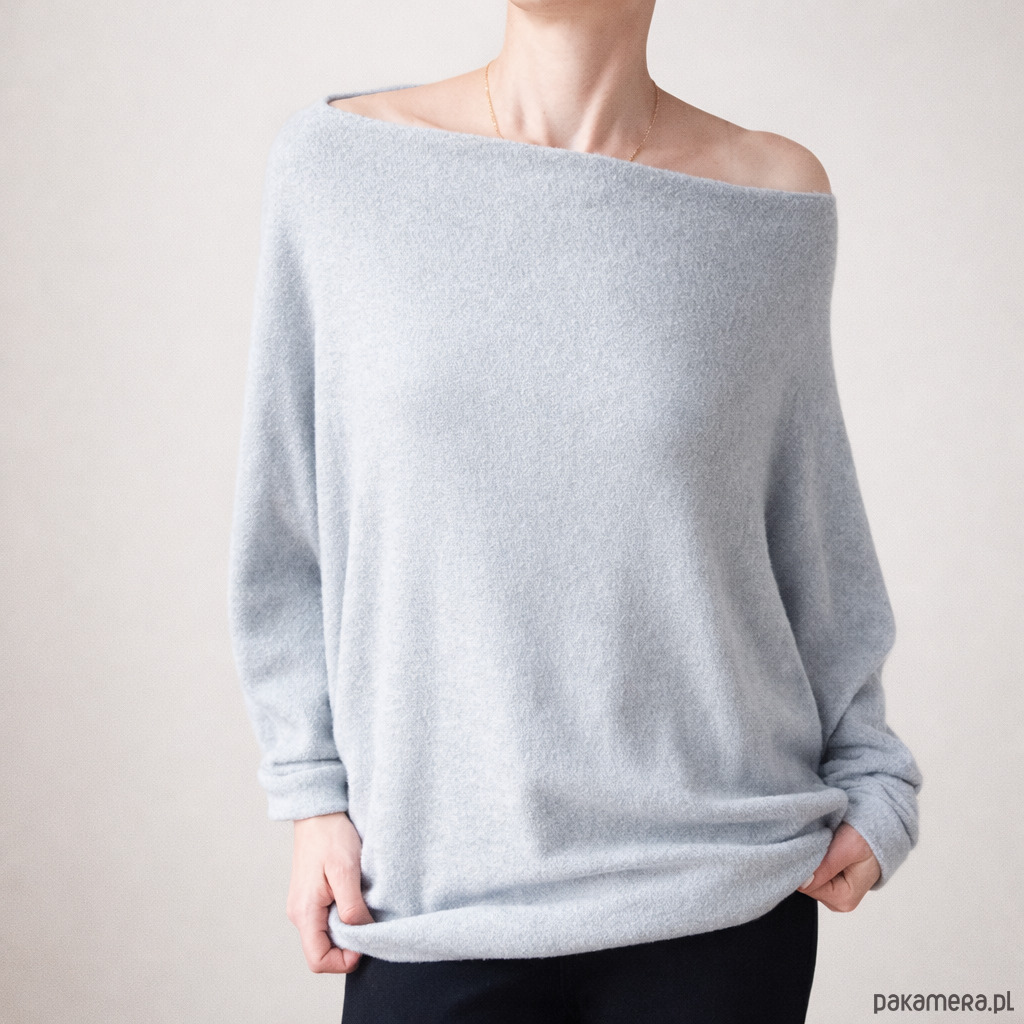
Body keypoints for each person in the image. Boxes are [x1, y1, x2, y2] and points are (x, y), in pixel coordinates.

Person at [227, 2, 924, 1021]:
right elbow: (286, 525)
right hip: (432, 891)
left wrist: (870, 769)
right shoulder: (338, 166)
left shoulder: (771, 196)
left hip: (720, 888)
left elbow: (806, 520)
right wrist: (310, 794)